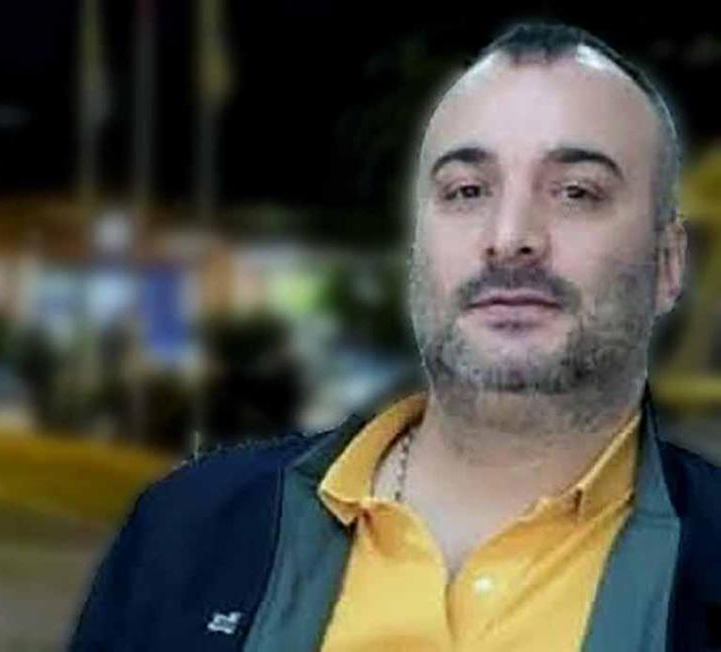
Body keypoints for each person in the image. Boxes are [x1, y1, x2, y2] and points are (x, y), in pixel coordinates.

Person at [68, 21, 721, 652]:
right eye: (466, 190)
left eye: (576, 192)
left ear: (668, 264)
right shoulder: (186, 535)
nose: (509, 237)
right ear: (416, 252)